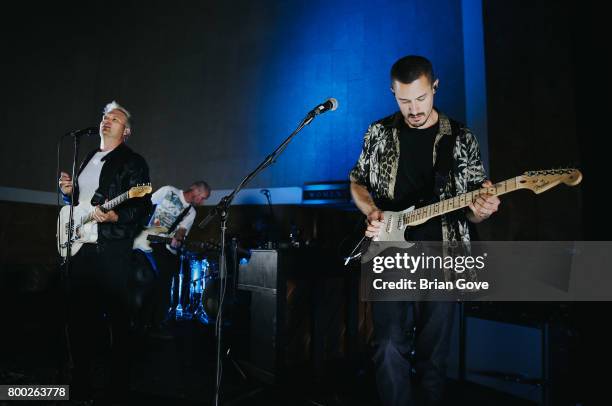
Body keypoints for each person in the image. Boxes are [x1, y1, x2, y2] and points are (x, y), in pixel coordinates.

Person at [349, 55, 500, 405]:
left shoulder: (460, 138)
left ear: (435, 87)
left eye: (420, 98)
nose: (413, 109)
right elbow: (356, 181)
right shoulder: (378, 133)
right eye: (404, 100)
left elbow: (474, 212)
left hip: (443, 257)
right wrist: (371, 209)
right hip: (388, 254)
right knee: (387, 346)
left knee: (434, 356)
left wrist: (482, 210)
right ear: (392, 93)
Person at [59, 101, 151, 400]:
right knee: (77, 320)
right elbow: (80, 206)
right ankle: (80, 384)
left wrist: (115, 215)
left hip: (110, 249)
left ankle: (117, 388)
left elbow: (141, 204)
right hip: (80, 249)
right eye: (105, 117)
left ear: (126, 131)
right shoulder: (87, 157)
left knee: (117, 322)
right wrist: (69, 194)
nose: (107, 121)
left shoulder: (133, 162)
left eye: (115, 118)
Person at [135, 181, 211, 337]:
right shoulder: (169, 191)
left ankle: (156, 324)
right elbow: (146, 205)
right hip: (144, 241)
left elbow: (182, 231)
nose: (202, 202)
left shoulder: (191, 213)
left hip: (165, 248)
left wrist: (178, 239)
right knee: (143, 283)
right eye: (203, 197)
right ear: (195, 191)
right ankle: (138, 322)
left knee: (163, 286)